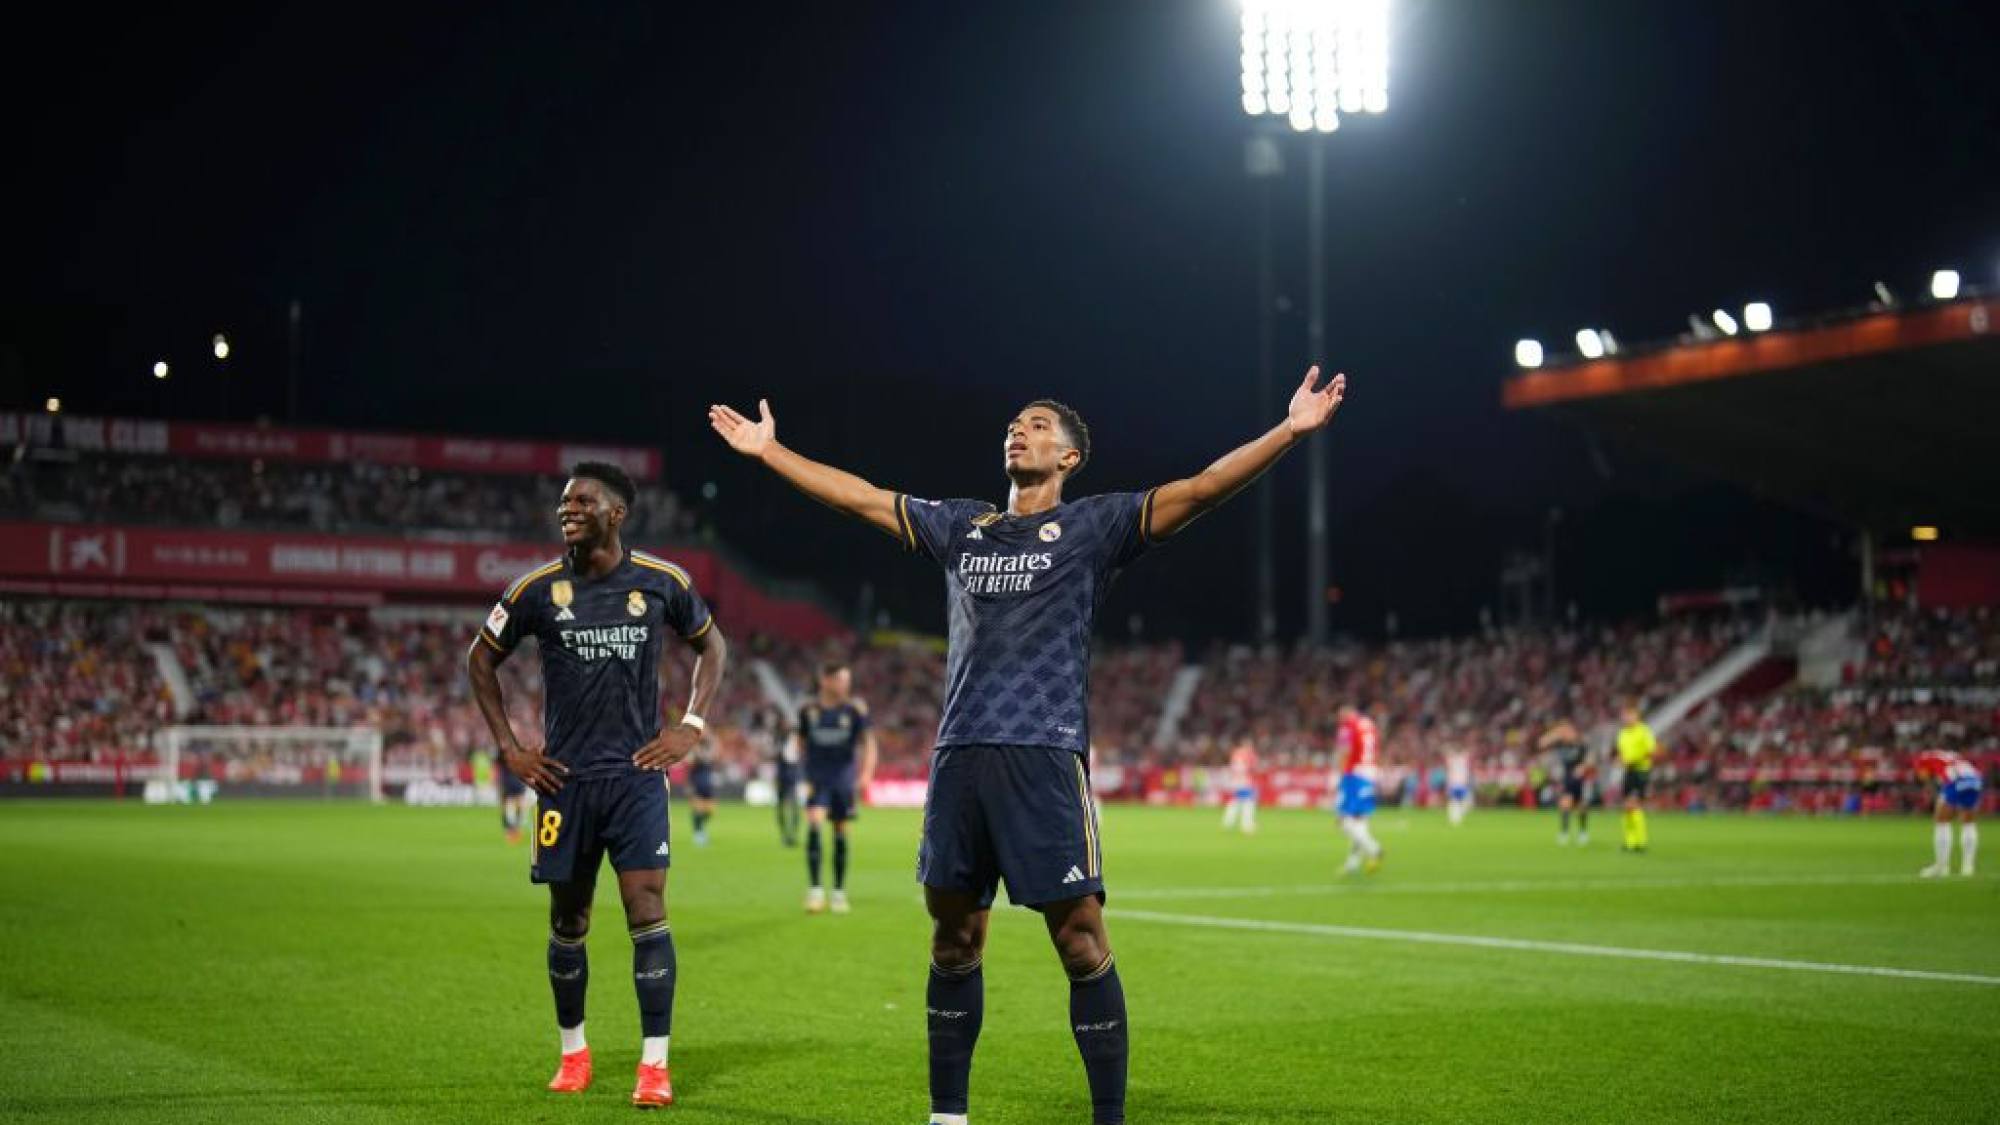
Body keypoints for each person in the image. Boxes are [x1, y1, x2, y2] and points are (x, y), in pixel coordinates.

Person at [710, 365, 1347, 1125]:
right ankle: (948, 1115)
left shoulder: (1096, 527)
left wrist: (1289, 431)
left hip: (1044, 753)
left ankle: (1107, 1117)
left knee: (1081, 940)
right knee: (954, 939)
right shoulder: (961, 526)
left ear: (1069, 457)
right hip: (960, 755)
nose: (1020, 431)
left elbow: (1203, 488)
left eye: (1039, 425)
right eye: (1015, 424)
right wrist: (771, 452)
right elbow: (862, 497)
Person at [465, 461, 729, 1108]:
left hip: (637, 777)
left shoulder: (662, 581)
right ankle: (574, 1052)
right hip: (565, 782)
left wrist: (691, 725)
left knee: (647, 909)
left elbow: (713, 646)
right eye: (564, 502)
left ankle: (654, 1066)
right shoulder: (535, 589)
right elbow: (480, 659)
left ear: (617, 513)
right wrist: (510, 749)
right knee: (569, 918)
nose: (568, 509)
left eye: (583, 501)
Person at [792, 660, 880, 913]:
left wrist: (866, 774)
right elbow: (799, 741)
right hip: (817, 779)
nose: (846, 685)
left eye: (847, 680)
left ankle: (839, 892)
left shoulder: (854, 710)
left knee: (840, 830)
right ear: (825, 680)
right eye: (841, 679)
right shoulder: (808, 710)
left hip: (843, 779)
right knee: (814, 824)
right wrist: (802, 771)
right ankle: (816, 891)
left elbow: (869, 743)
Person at [1333, 704, 1385, 873]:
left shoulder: (1348, 726)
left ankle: (1374, 849)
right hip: (1370, 774)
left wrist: (1340, 776)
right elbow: (1376, 750)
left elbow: (1344, 751)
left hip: (1354, 776)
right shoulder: (1369, 725)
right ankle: (1353, 863)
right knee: (1360, 822)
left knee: (1343, 820)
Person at [1914, 749, 1981, 877]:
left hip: (1956, 779)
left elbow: (1924, 777)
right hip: (1974, 779)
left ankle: (1942, 867)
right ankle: (1968, 867)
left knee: (1941, 821)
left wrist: (1929, 791)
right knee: (1968, 823)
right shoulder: (1947, 755)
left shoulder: (1923, 759)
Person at [1541, 719, 1592, 846]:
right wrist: (1555, 733)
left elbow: (1591, 759)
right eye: (1563, 731)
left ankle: (1583, 832)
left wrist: (1583, 766)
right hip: (1568, 777)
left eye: (1567, 731)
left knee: (1581, 806)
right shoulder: (1560, 744)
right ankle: (1564, 832)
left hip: (1581, 779)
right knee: (1565, 804)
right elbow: (1541, 743)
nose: (1565, 734)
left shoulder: (1581, 744)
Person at [1615, 704, 1656, 853]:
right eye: (1624, 715)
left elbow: (1650, 752)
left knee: (1634, 804)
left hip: (1640, 771)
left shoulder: (1644, 731)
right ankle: (1630, 841)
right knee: (1627, 807)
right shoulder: (1622, 733)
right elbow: (1621, 753)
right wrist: (1619, 760)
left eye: (1629, 715)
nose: (1626, 718)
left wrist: (1633, 760)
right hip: (1628, 772)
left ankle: (1640, 841)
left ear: (1636, 715)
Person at [761, 703, 802, 847]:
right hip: (782, 774)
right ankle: (785, 834)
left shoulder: (794, 737)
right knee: (781, 805)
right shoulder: (777, 738)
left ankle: (793, 833)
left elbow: (797, 754)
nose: (786, 725)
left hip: (792, 773)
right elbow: (770, 754)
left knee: (794, 805)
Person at [1220, 738, 1260, 834]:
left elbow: (1234, 766)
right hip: (1242, 781)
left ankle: (1228, 821)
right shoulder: (1247, 755)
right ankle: (1246, 824)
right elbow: (1251, 768)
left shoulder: (1236, 753)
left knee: (1236, 801)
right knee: (1248, 802)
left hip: (1236, 781)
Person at [688, 757, 719, 846]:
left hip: (708, 791)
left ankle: (701, 829)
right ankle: (698, 834)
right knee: (698, 812)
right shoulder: (695, 766)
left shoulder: (708, 764)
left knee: (710, 812)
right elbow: (690, 777)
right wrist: (690, 789)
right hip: (698, 791)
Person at [1443, 737, 1473, 828]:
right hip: (1455, 783)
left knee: (1461, 801)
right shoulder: (1455, 759)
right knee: (1456, 801)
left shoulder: (1460, 758)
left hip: (1459, 784)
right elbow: (1446, 751)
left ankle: (1456, 816)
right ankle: (1454, 817)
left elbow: (1467, 752)